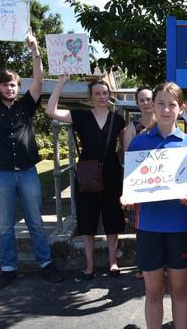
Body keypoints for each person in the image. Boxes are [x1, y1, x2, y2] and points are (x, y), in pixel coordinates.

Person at [0, 28, 62, 289]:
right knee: (4, 225)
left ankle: (45, 264)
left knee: (35, 221)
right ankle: (8, 269)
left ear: (17, 87)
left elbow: (40, 80)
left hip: (27, 172)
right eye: (5, 84)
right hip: (0, 173)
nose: (9, 88)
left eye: (13, 84)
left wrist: (34, 49)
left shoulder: (26, 105)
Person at [122, 82, 187, 329]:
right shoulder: (138, 143)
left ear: (182, 107)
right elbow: (131, 185)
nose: (166, 109)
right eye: (161, 103)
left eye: (172, 104)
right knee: (153, 291)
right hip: (148, 227)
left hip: (178, 226)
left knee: (179, 290)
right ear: (152, 106)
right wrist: (127, 197)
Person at [46, 75, 126, 279]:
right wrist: (61, 83)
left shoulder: (118, 119)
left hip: (111, 174)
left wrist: (113, 163)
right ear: (91, 97)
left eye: (104, 93)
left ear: (110, 96)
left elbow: (124, 149)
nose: (101, 96)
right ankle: (89, 265)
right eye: (97, 93)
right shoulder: (80, 116)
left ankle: (113, 262)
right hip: (87, 174)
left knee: (112, 219)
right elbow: (50, 111)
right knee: (87, 221)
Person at [122, 86, 155, 277]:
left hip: (163, 183)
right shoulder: (132, 128)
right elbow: (128, 159)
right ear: (137, 104)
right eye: (141, 100)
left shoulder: (163, 124)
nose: (146, 103)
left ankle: (163, 264)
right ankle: (143, 265)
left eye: (149, 99)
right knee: (142, 226)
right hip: (142, 184)